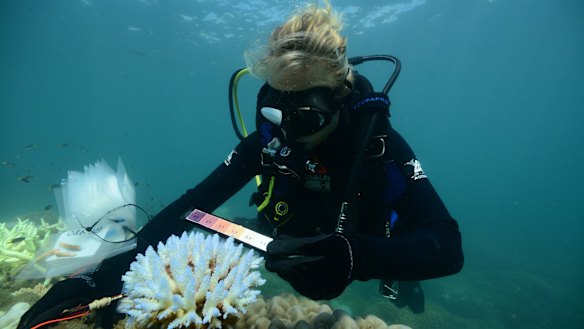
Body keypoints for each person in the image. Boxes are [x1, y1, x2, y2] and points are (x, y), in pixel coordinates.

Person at [18, 1, 463, 328]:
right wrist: (104, 277)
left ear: (338, 100)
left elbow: (447, 245)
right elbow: (192, 207)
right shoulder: (267, 141)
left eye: (305, 118)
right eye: (275, 114)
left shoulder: (378, 144)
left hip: (363, 243)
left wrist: (358, 257)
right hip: (284, 235)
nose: (288, 132)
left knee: (406, 264)